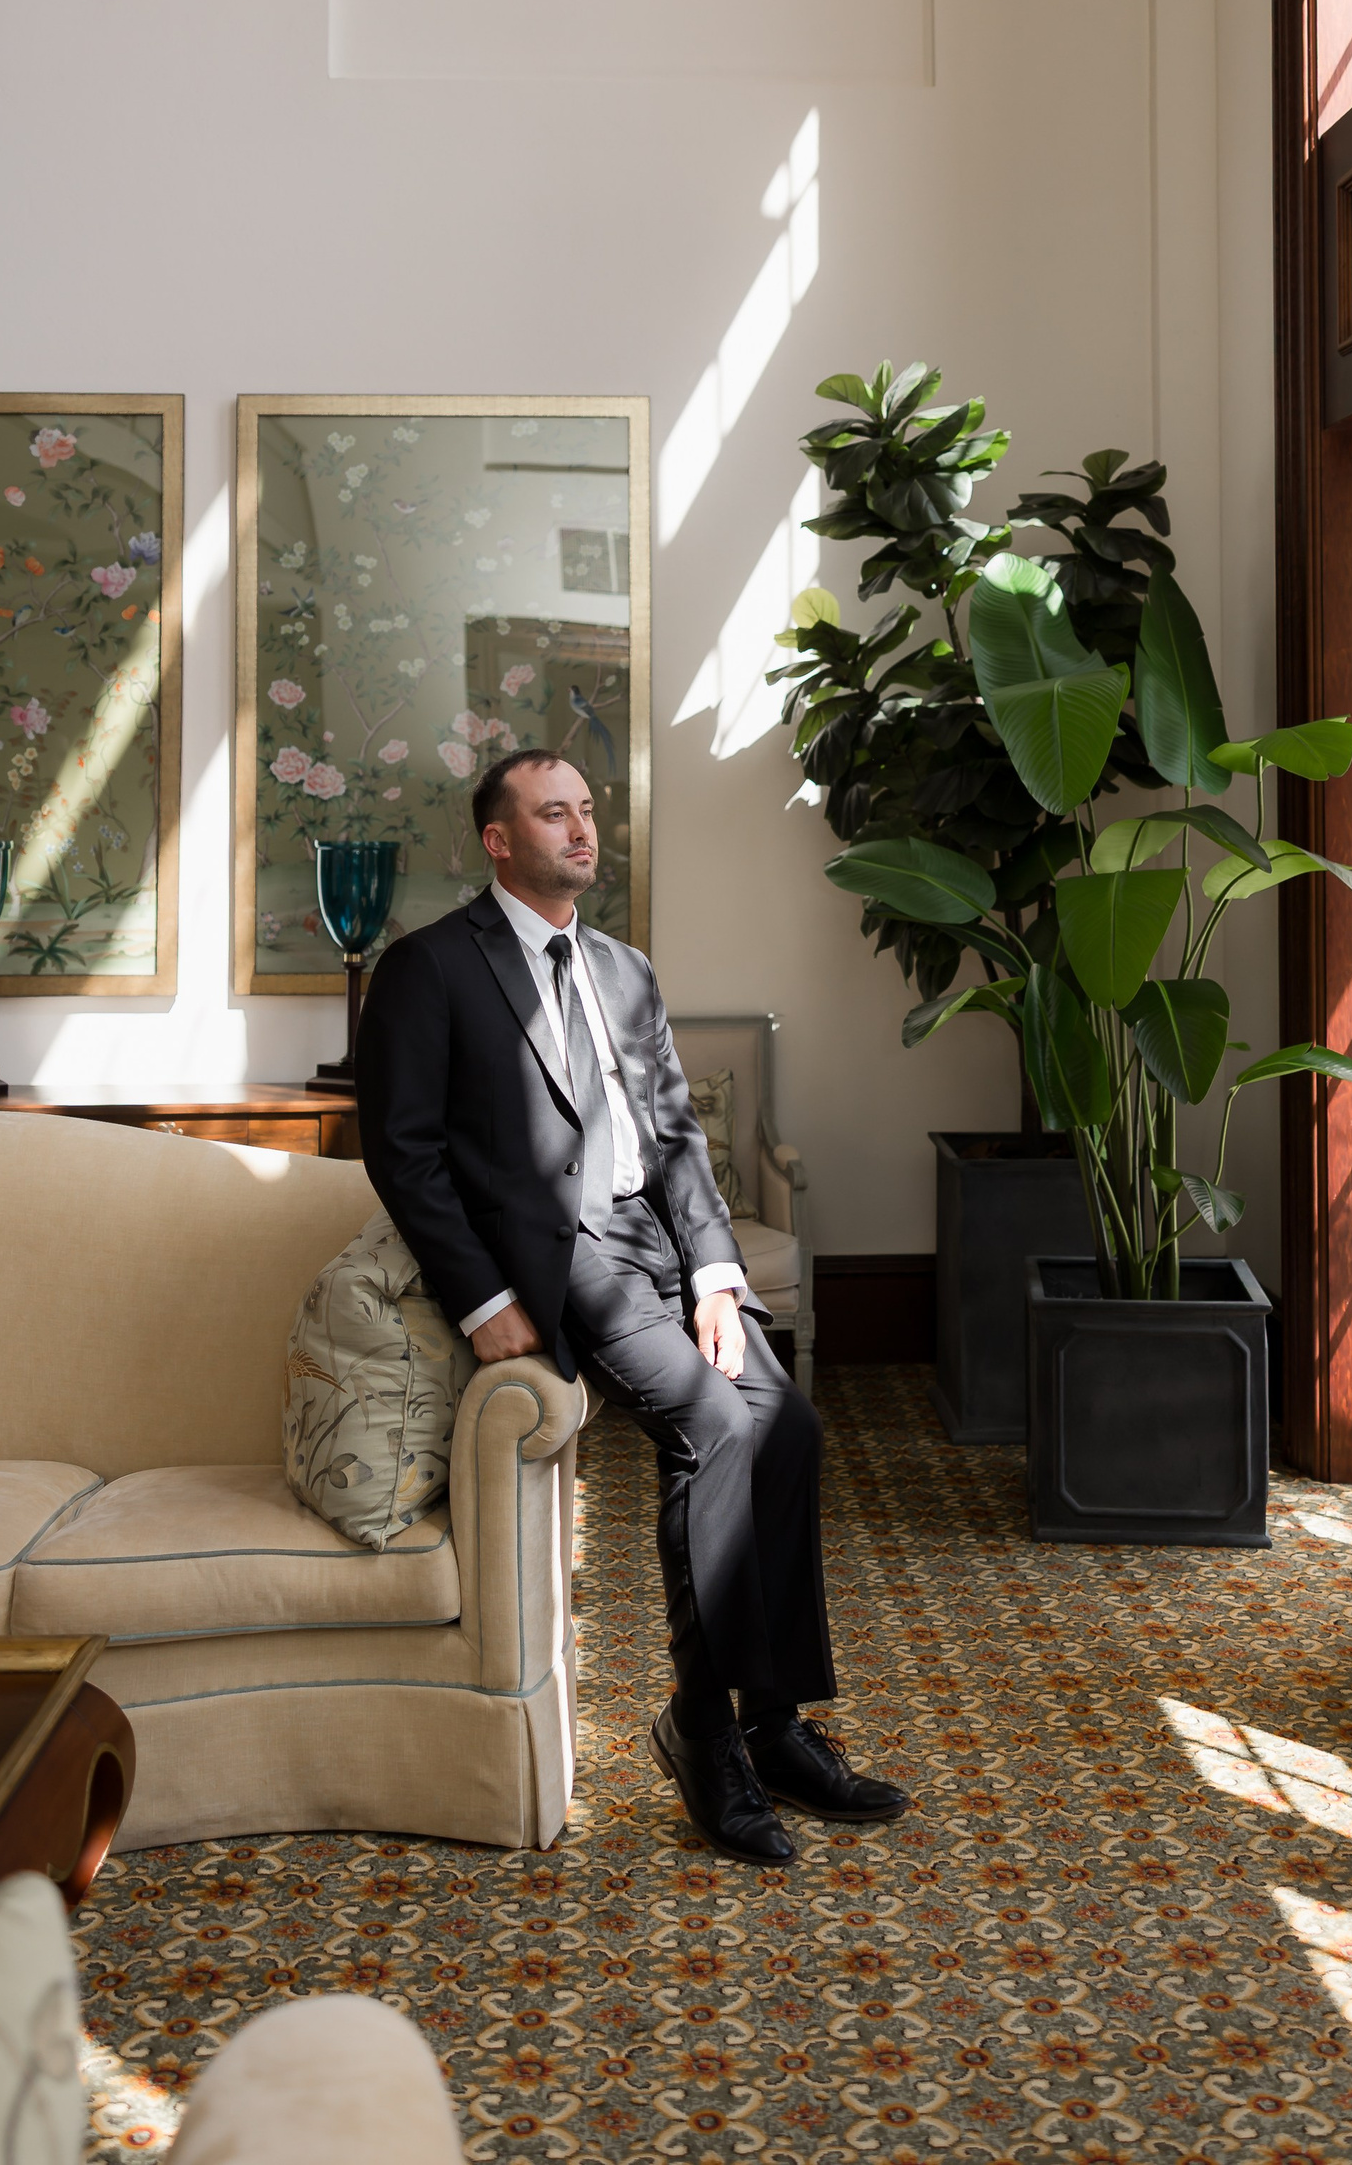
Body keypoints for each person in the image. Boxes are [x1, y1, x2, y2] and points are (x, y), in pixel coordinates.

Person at [355, 747, 910, 1866]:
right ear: (498, 839)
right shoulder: (431, 967)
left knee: (788, 1424)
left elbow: (675, 1139)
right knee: (714, 1424)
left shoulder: (623, 969)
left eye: (587, 809)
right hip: (562, 1262)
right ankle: (703, 1730)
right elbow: (402, 1151)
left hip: (660, 1247)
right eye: (552, 813)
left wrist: (715, 1273)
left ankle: (773, 1724)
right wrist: (483, 1298)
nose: (582, 828)